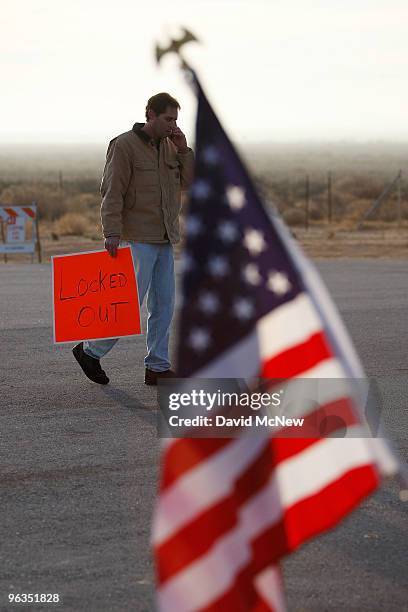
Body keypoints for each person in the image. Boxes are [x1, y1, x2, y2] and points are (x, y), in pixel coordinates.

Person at [72, 92, 194, 386]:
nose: (172, 125)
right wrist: (111, 231)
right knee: (126, 305)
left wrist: (184, 150)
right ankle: (90, 350)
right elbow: (111, 191)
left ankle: (157, 366)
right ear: (150, 114)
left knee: (164, 304)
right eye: (168, 119)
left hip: (164, 236)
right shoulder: (124, 145)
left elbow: (191, 183)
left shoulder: (171, 147)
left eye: (176, 120)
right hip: (135, 238)